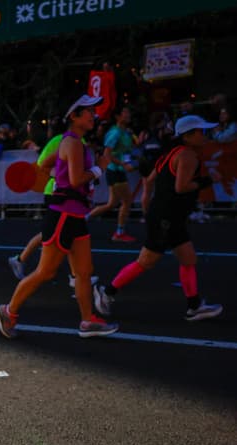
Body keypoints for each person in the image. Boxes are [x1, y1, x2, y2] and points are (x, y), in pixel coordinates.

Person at [0, 94, 118, 339]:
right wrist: (99, 168)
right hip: (63, 215)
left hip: (75, 215)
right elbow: (75, 180)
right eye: (88, 112)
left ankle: (87, 321)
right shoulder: (71, 143)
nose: (93, 116)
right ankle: (8, 310)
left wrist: (59, 168)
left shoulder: (73, 144)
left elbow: (48, 163)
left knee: (83, 272)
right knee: (45, 272)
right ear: (74, 116)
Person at [93, 115, 223, 321]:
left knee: (188, 258)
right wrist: (207, 180)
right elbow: (181, 187)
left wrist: (150, 204)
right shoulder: (188, 155)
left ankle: (194, 305)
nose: (206, 135)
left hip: (168, 215)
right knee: (146, 261)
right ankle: (106, 292)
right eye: (203, 132)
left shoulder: (170, 153)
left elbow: (150, 179)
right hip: (166, 217)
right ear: (188, 136)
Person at [7, 131, 98, 289]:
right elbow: (42, 162)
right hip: (57, 194)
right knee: (60, 236)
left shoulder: (80, 140)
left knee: (63, 233)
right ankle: (10, 307)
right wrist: (61, 176)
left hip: (73, 197)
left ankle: (74, 275)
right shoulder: (61, 140)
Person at [87, 106, 139, 242]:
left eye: (128, 112)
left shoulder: (126, 132)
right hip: (114, 171)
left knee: (111, 204)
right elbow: (107, 154)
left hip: (118, 171)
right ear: (118, 116)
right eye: (125, 112)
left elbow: (125, 151)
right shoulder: (114, 133)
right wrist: (123, 164)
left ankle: (83, 219)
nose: (128, 114)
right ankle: (119, 233)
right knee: (127, 201)